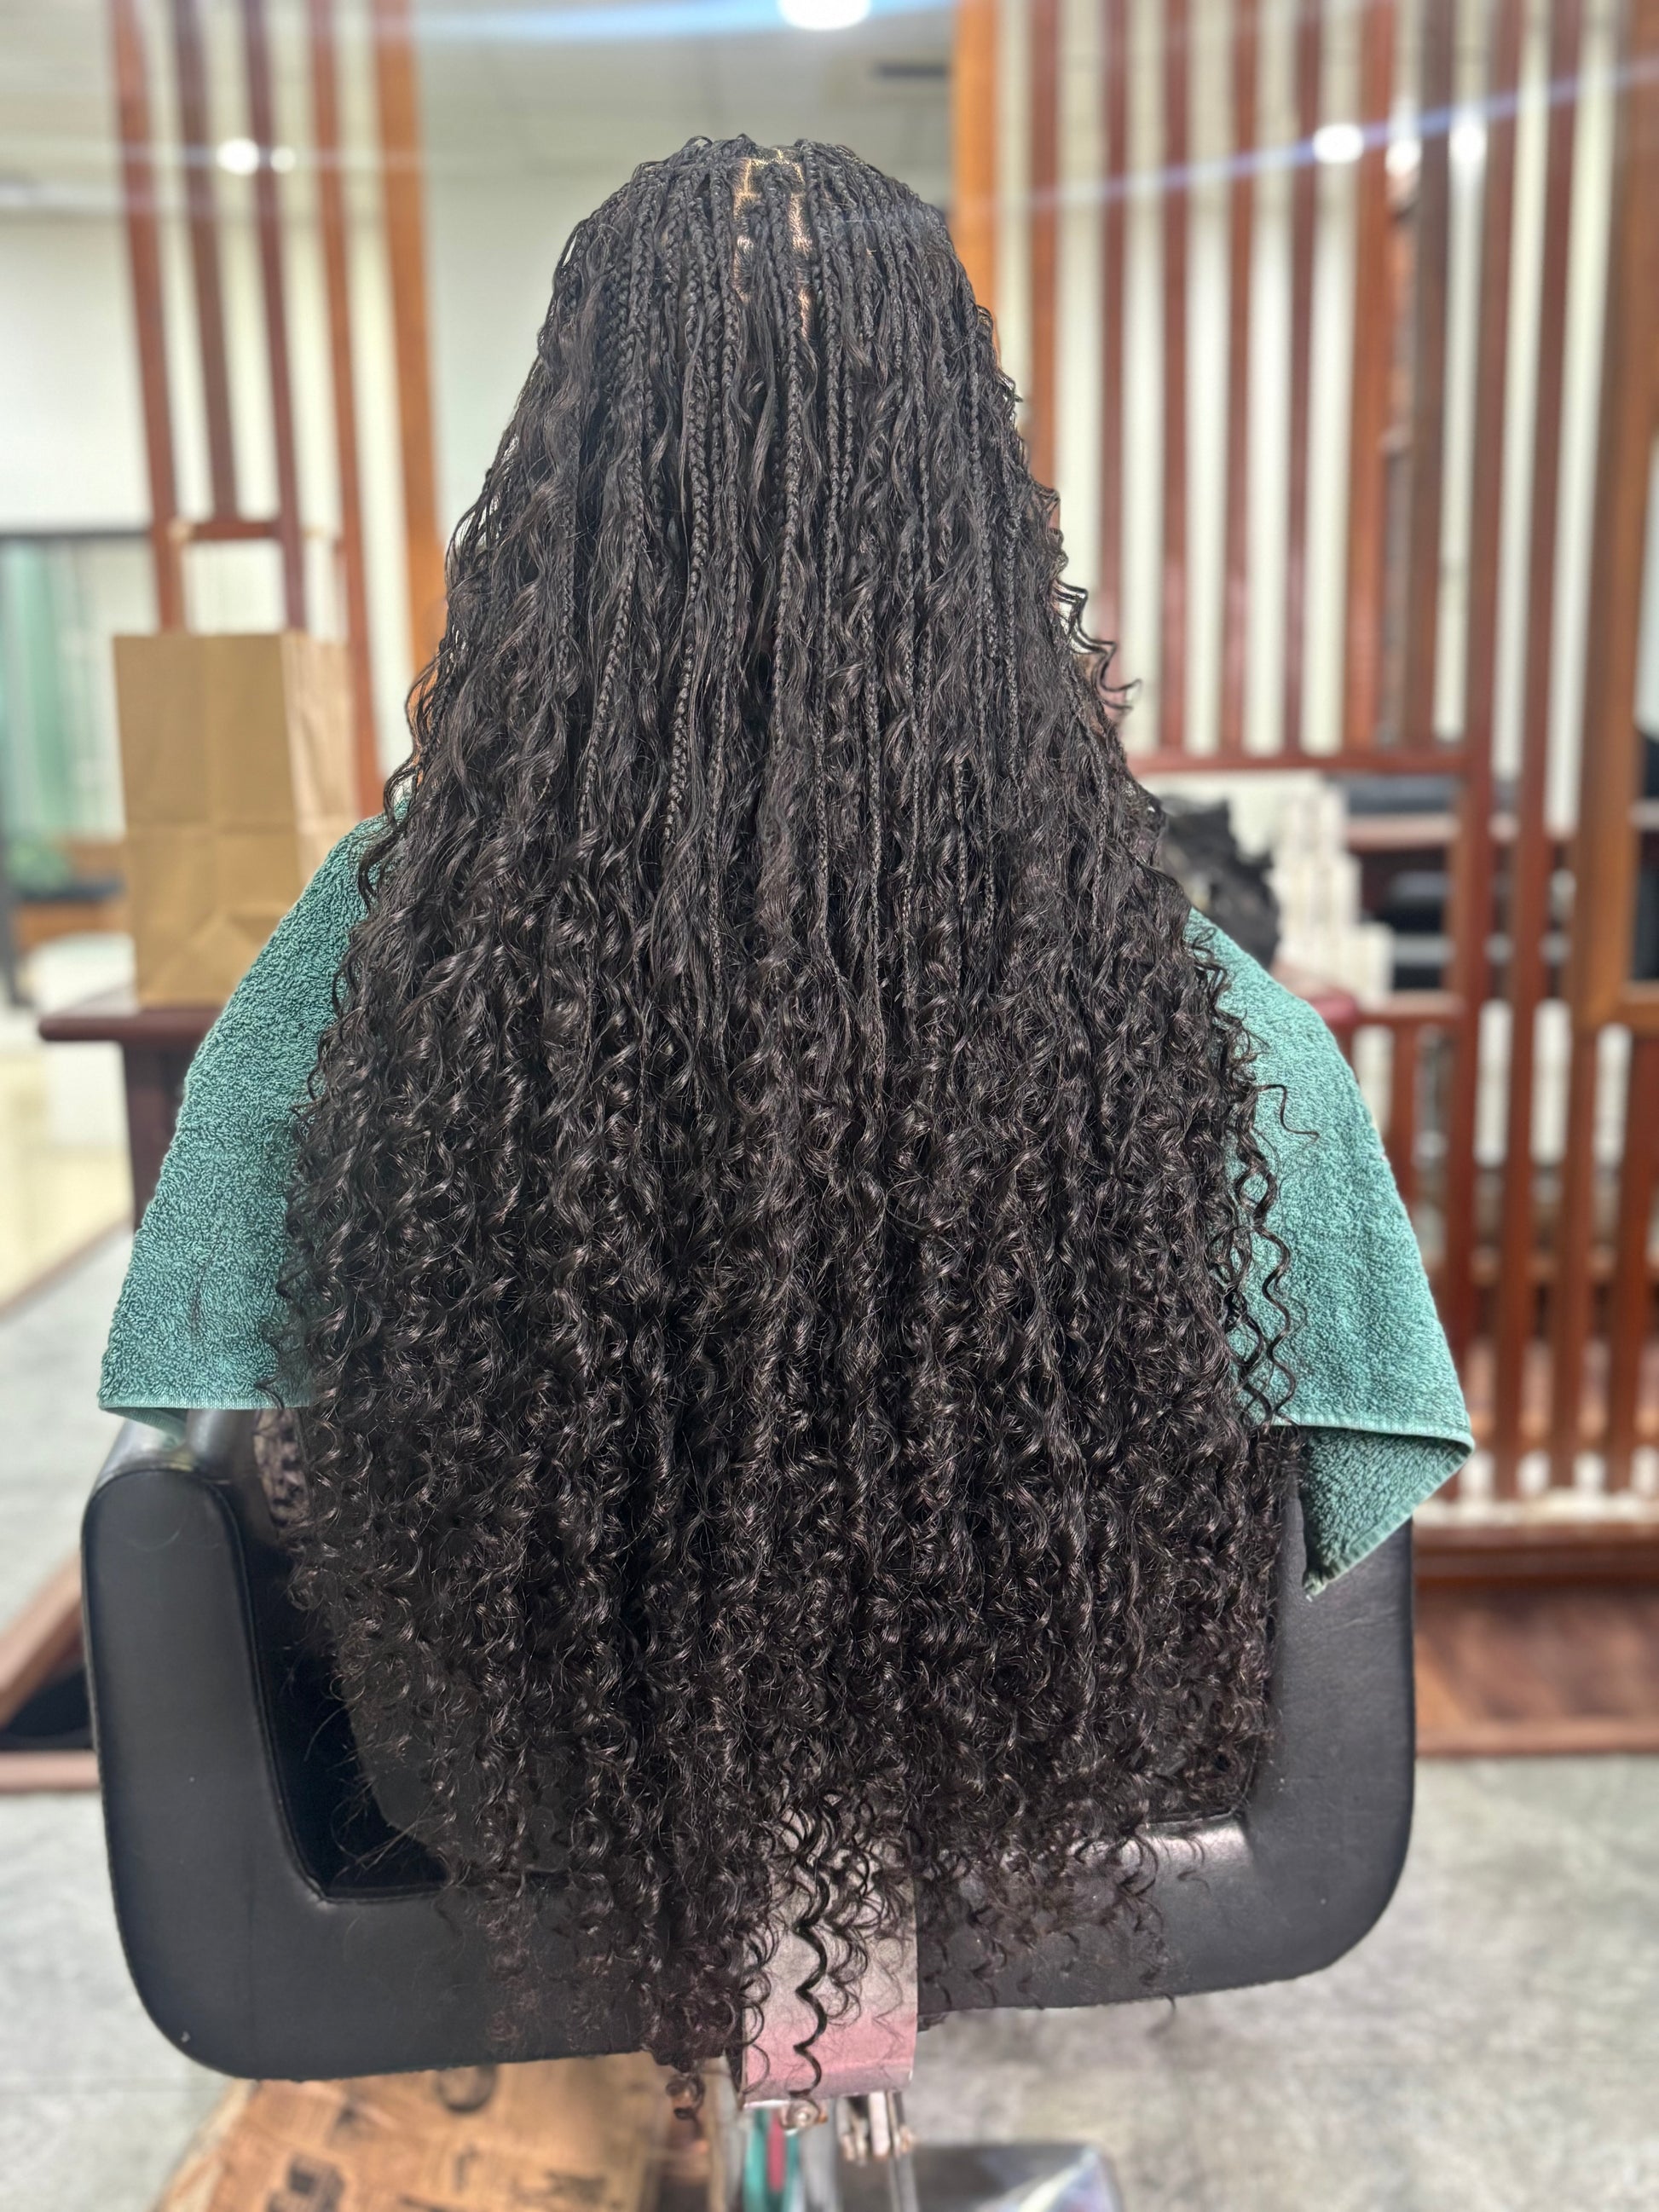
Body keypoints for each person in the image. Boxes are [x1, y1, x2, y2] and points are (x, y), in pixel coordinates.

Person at [101, 139, 1468, 2075]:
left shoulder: (371, 947)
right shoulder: (1172, 989)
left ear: (562, 489)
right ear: (968, 501)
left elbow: (213, 1429)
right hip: (1027, 1758)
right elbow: (1340, 1447)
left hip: (521, 1775)